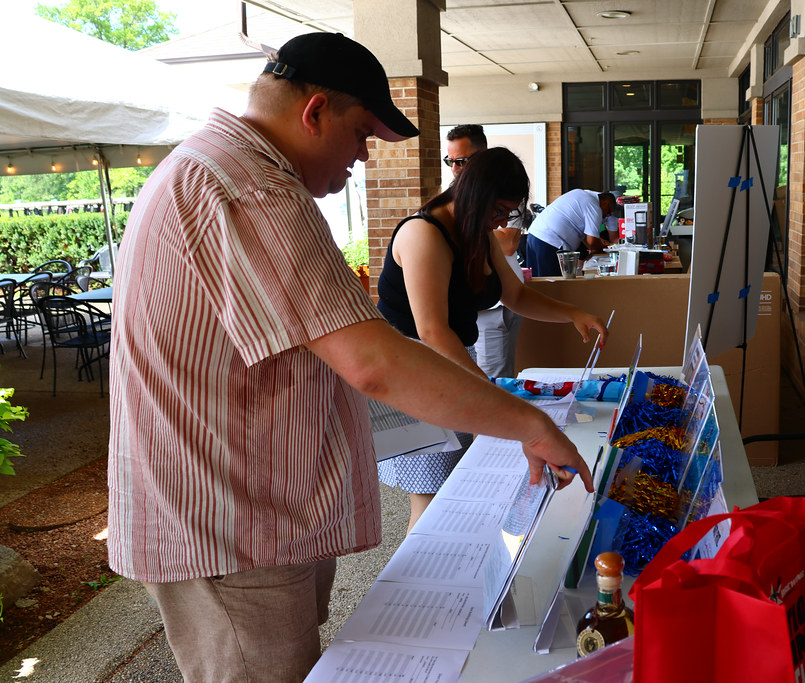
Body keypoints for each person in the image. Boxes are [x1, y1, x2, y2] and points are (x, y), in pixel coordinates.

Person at [106, 33, 593, 683]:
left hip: (250, 509)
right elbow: (375, 361)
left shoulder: (219, 170)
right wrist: (530, 424)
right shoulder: (248, 187)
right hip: (229, 522)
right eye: (362, 133)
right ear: (314, 113)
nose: (364, 158)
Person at [376, 146, 609, 532]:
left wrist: (573, 314)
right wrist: (489, 393)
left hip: (450, 361)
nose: (501, 222)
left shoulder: (475, 233)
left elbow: (514, 295)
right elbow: (432, 330)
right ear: (474, 195)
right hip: (412, 370)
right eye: (498, 210)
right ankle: (420, 585)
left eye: (508, 213)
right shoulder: (423, 234)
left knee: (462, 480)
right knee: (433, 493)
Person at [446, 124, 524, 378]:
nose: (456, 169)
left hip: (498, 304)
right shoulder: (432, 226)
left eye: (462, 161)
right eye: (451, 162)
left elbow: (509, 242)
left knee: (501, 377)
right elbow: (431, 330)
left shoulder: (496, 202)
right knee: (492, 380)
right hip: (478, 312)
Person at [525, 189, 617, 276]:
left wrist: (597, 245)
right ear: (605, 203)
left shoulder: (582, 195)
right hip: (551, 242)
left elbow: (586, 238)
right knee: (551, 284)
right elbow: (592, 242)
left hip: (534, 236)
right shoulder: (594, 205)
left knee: (536, 282)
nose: (606, 216)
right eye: (608, 212)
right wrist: (605, 248)